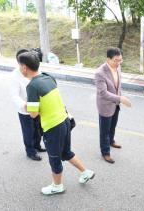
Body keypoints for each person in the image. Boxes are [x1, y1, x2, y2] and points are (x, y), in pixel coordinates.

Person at [19, 51, 94, 195]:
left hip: (53, 127)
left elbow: (34, 114)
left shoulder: (32, 86)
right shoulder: (48, 77)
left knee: (54, 158)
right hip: (64, 121)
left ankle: (57, 186)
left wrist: (26, 105)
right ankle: (86, 172)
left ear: (24, 68)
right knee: (66, 152)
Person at [95, 47, 132, 164]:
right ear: (108, 59)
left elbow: (117, 85)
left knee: (113, 126)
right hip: (105, 105)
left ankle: (111, 141)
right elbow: (103, 93)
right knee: (104, 131)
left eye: (120, 60)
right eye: (116, 60)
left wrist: (119, 98)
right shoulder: (100, 73)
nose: (118, 63)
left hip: (115, 104)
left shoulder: (118, 67)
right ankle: (105, 152)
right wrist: (120, 98)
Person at [10, 49, 46, 161]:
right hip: (25, 110)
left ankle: (37, 146)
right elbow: (14, 96)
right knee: (28, 132)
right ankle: (30, 151)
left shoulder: (33, 69)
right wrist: (25, 105)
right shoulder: (14, 76)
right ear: (19, 63)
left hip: (37, 107)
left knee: (38, 129)